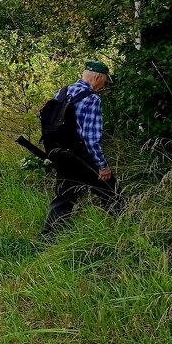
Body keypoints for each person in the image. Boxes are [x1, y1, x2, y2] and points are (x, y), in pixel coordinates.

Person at [40, 60, 124, 237]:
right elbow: (91, 139)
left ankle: (48, 237)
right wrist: (102, 166)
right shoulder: (92, 99)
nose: (104, 86)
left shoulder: (62, 92)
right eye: (105, 81)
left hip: (61, 154)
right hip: (81, 155)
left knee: (64, 197)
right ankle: (128, 227)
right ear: (97, 77)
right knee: (111, 191)